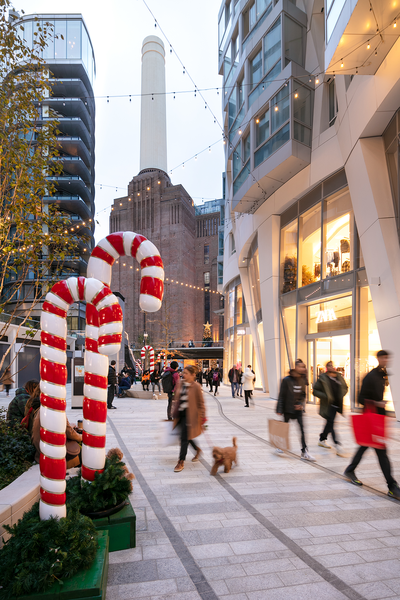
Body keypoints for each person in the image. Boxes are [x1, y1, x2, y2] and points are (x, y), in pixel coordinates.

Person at [344, 350, 400, 498]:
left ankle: (350, 470)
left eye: (387, 358)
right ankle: (392, 486)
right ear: (379, 359)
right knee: (381, 451)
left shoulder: (382, 375)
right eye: (383, 358)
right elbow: (360, 398)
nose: (386, 360)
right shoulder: (371, 376)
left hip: (377, 418)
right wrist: (377, 403)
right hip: (371, 419)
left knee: (364, 446)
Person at [277, 359, 316, 461]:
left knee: (302, 430)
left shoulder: (303, 380)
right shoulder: (286, 380)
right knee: (284, 429)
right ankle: (280, 445)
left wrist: (300, 404)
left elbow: (303, 395)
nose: (303, 369)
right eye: (301, 367)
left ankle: (304, 451)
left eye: (304, 367)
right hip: (288, 409)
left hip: (298, 410)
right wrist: (279, 408)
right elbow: (281, 395)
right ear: (296, 367)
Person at [172, 365, 206, 472]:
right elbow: (177, 398)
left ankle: (181, 461)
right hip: (180, 414)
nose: (183, 375)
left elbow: (201, 403)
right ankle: (197, 449)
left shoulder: (196, 386)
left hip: (190, 416)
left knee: (184, 438)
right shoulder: (181, 383)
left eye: (186, 373)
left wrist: (203, 417)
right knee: (185, 436)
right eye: (183, 373)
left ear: (193, 375)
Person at [313, 361, 347, 455]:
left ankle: (322, 439)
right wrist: (326, 396)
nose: (331, 367)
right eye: (329, 366)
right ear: (326, 367)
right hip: (328, 405)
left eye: (332, 365)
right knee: (331, 424)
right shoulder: (323, 378)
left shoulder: (339, 376)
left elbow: (345, 387)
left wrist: (341, 394)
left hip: (337, 404)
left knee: (329, 424)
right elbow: (315, 391)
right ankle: (337, 444)